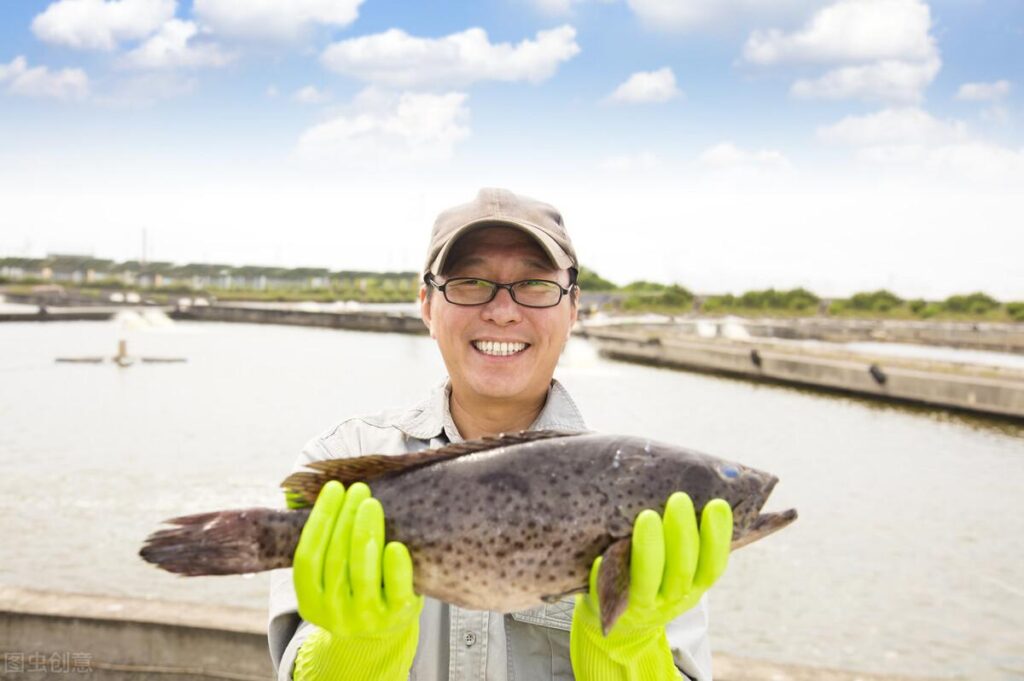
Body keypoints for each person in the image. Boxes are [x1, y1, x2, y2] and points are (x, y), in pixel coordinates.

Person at [267, 188, 733, 680]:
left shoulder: (649, 492)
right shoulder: (345, 456)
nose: (503, 311)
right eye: (470, 282)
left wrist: (629, 649)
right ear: (426, 305)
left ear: (573, 308)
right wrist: (354, 647)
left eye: (534, 284)